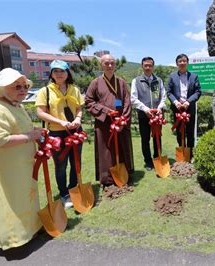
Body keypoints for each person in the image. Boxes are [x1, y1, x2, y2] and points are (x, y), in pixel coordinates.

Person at [0, 68, 45, 250]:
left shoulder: (17, 105)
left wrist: (36, 134)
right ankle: (14, 241)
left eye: (24, 86)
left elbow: (22, 130)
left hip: (22, 167)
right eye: (17, 86)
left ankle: (29, 231)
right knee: (8, 205)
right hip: (5, 170)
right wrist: (30, 136)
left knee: (25, 200)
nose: (22, 89)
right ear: (2, 88)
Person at [35, 60, 84, 208]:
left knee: (76, 162)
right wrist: (60, 122)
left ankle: (74, 188)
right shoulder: (46, 91)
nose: (59, 74)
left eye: (62, 71)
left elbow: (79, 108)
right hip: (57, 133)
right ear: (51, 74)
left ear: (68, 72)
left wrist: (78, 119)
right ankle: (64, 193)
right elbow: (40, 113)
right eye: (55, 71)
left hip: (75, 131)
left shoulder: (74, 90)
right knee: (60, 164)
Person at [85, 54, 134, 186]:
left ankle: (125, 174)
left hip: (121, 122)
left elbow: (127, 101)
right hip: (104, 124)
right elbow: (89, 102)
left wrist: (124, 118)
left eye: (112, 63)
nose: (110, 66)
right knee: (106, 150)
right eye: (107, 63)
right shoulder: (95, 83)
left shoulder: (121, 82)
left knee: (123, 147)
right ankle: (108, 179)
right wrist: (106, 112)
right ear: (101, 65)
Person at [131, 57, 167, 171]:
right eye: (145, 65)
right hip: (144, 115)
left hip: (157, 115)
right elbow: (133, 98)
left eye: (150, 65)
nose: (148, 67)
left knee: (158, 137)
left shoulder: (159, 80)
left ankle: (158, 157)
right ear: (142, 66)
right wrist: (145, 109)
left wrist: (160, 107)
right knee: (145, 139)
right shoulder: (136, 81)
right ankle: (148, 162)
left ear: (153, 67)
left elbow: (163, 96)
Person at [167, 53, 201, 159]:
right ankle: (181, 153)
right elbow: (169, 92)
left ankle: (190, 155)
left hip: (189, 108)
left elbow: (198, 92)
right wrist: (176, 102)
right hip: (177, 109)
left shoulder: (194, 76)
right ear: (177, 63)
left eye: (184, 61)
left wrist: (188, 102)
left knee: (190, 132)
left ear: (187, 63)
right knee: (179, 132)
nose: (182, 63)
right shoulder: (172, 76)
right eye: (180, 61)